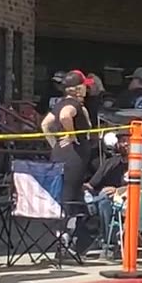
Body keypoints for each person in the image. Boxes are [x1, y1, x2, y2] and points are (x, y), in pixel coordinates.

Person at [43, 70, 97, 254]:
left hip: (59, 155)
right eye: (85, 86)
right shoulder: (73, 105)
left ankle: (72, 238)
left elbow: (45, 124)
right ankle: (65, 239)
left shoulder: (59, 104)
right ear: (77, 89)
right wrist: (72, 135)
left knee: (65, 196)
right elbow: (66, 116)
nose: (87, 90)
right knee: (70, 197)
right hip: (74, 158)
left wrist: (54, 144)